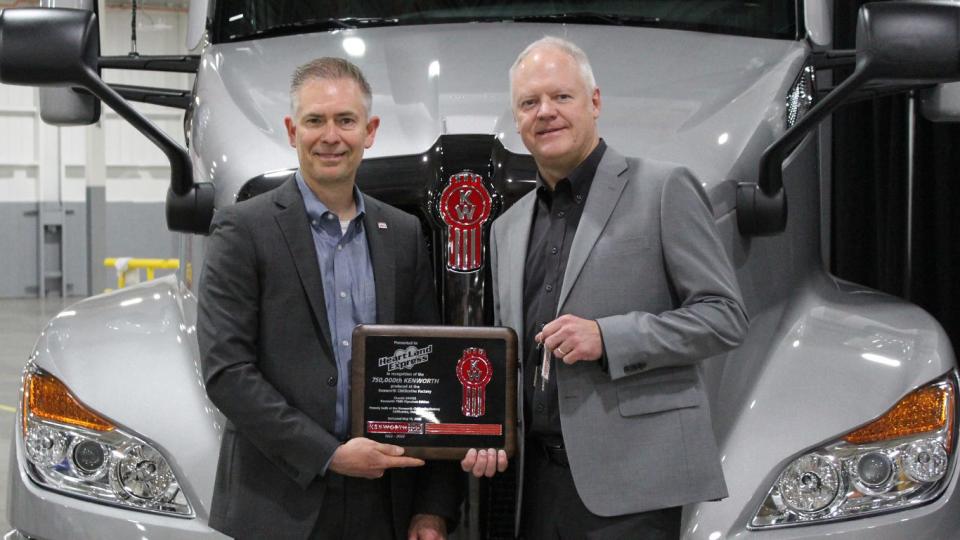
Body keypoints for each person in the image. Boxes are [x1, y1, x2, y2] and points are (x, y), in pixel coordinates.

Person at [461, 37, 749, 538]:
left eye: (561, 97)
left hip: (633, 481)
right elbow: (510, 357)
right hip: (532, 485)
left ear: (595, 102)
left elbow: (723, 316)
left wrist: (609, 337)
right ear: (516, 121)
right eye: (529, 103)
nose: (545, 112)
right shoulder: (506, 227)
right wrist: (489, 430)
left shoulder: (664, 188)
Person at [199, 57, 460, 540]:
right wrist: (328, 454)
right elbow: (227, 373)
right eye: (315, 120)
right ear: (291, 129)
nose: (330, 136)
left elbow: (433, 373)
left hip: (383, 501)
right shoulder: (242, 229)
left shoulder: (402, 234)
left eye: (345, 120)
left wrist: (432, 507)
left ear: (370, 130)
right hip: (277, 503)